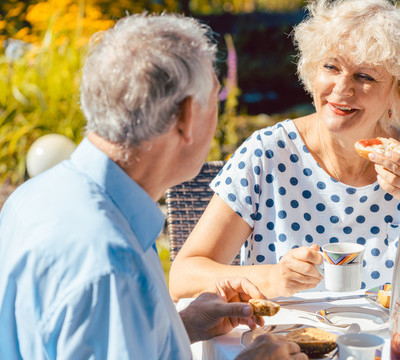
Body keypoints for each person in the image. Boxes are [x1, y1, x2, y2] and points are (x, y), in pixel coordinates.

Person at [0, 13, 307, 360]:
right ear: (187, 116)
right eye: (216, 96)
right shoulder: (112, 266)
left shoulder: (32, 197)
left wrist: (179, 327)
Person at [169, 0, 400, 301]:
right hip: (282, 347)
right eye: (331, 67)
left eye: (365, 76)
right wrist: (271, 278)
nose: (342, 89)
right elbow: (183, 277)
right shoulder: (267, 154)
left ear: (397, 94)